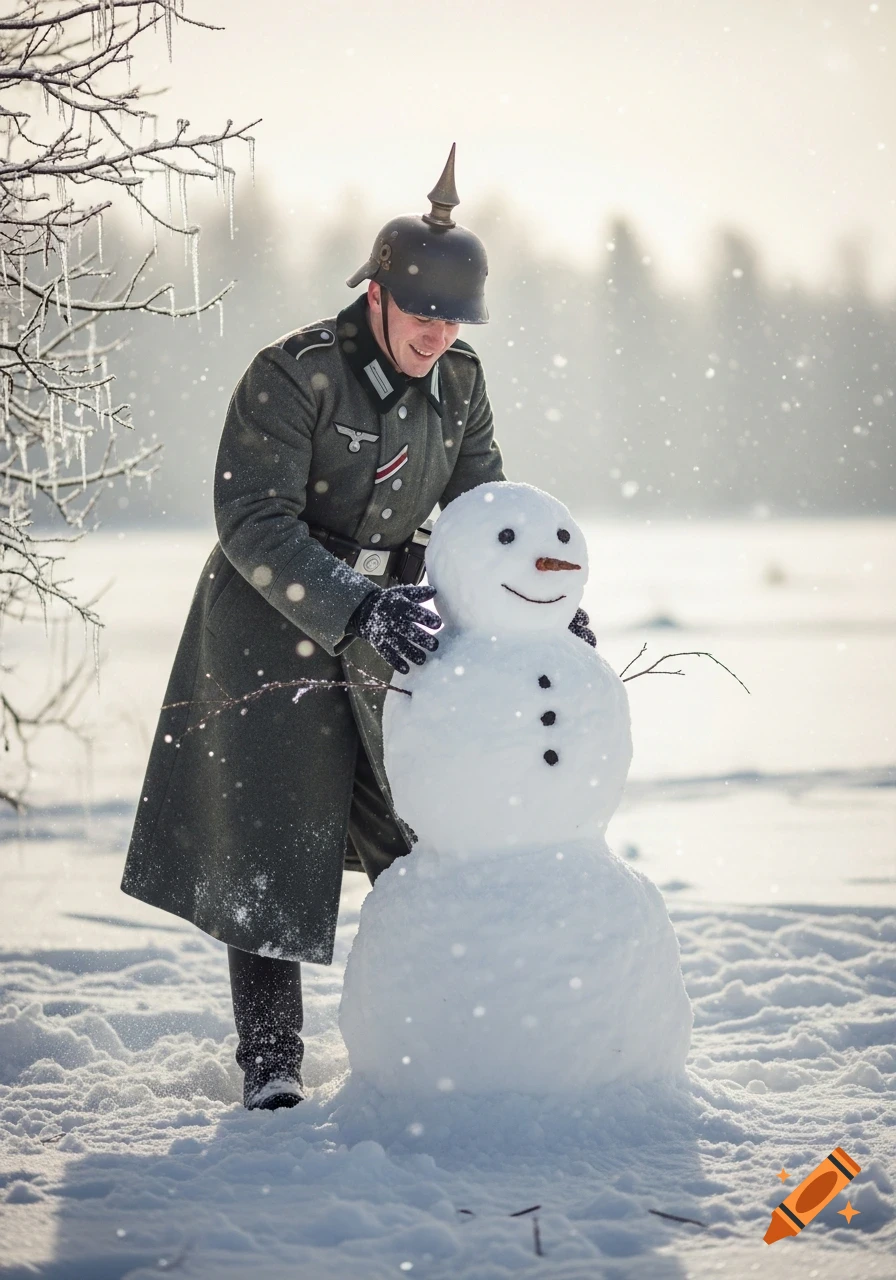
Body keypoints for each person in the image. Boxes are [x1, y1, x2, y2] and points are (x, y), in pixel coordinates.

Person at [121, 146, 594, 1110]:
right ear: (376, 292)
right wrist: (352, 604)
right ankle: (272, 1067)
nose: (438, 333)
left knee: (417, 837)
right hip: (269, 627)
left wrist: (536, 602)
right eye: (424, 312)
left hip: (400, 631)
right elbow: (253, 521)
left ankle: (442, 1040)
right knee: (271, 847)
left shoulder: (460, 382)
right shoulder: (292, 375)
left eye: (455, 317)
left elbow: (480, 507)